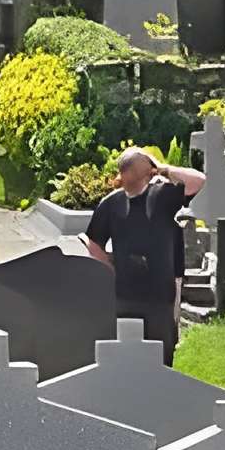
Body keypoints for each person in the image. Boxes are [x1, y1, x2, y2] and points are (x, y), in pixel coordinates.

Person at [84, 143, 204, 358]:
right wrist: (162, 167)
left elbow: (93, 245)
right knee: (158, 358)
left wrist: (111, 268)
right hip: (149, 297)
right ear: (148, 172)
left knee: (127, 357)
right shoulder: (159, 196)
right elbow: (198, 180)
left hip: (135, 296)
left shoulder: (117, 202)